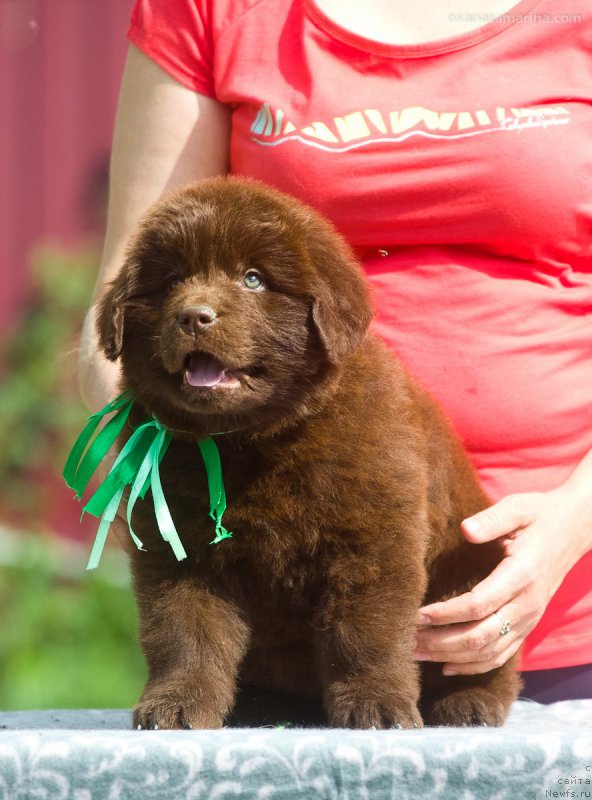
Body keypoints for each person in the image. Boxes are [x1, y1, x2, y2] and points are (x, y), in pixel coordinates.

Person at [79, 0, 592, 703]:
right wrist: (157, 461)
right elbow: (130, 291)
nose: (201, 304)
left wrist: (573, 522)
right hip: (263, 630)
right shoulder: (213, 10)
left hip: (567, 604)